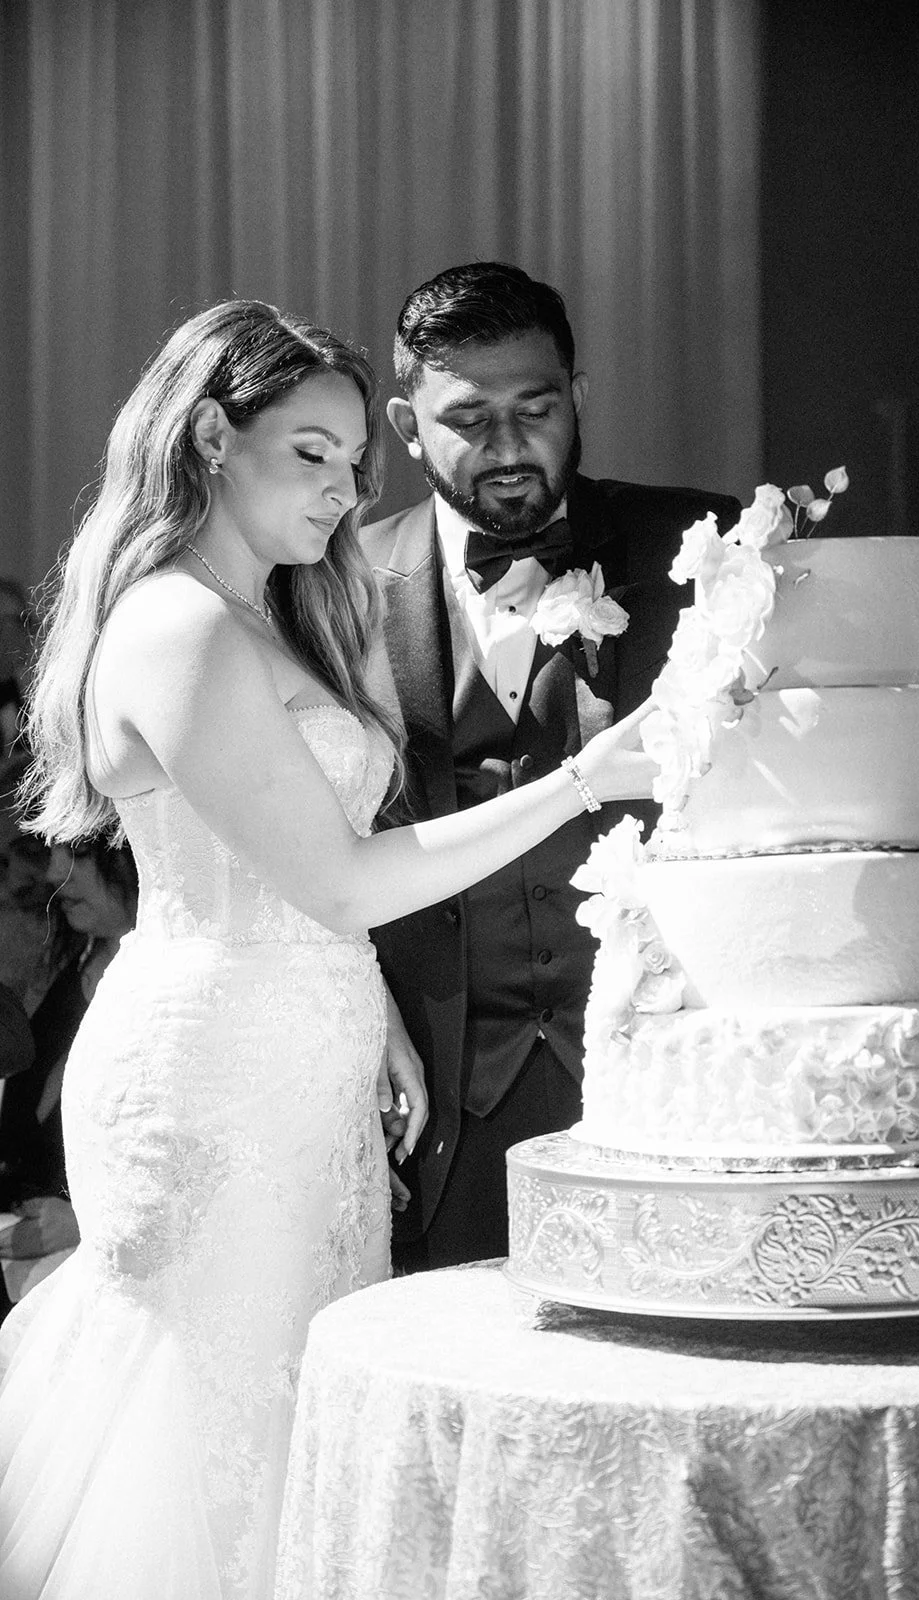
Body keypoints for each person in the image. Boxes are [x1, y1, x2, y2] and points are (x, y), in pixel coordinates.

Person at [0, 298, 655, 1600]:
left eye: (355, 458)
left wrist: (377, 1017)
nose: (345, 487)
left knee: (304, 1382)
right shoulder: (179, 625)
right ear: (205, 440)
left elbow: (302, 881)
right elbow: (344, 882)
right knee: (216, 1409)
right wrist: (583, 781)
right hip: (214, 1082)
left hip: (304, 1055)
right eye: (309, 452)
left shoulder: (270, 616)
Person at [361, 261, 741, 1270]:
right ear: (406, 426)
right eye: (468, 417)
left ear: (577, 399)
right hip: (438, 1112)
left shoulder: (701, 547)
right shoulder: (335, 585)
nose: (507, 444)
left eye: (535, 407)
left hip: (677, 1086)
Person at [0, 838, 138, 1320]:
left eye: (78, 853)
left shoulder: (173, 1003)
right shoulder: (61, 959)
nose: (56, 870)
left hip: (94, 1285)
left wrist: (88, 1223)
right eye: (54, 851)